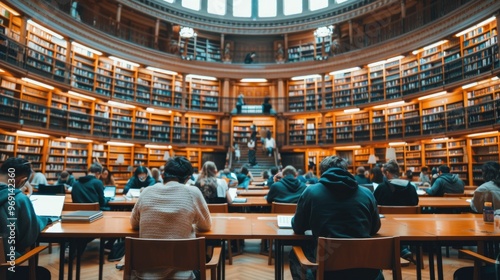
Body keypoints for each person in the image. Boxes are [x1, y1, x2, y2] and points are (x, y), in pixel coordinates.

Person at [290, 156, 381, 279]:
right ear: (346, 170)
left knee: (294, 254)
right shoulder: (367, 193)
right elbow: (375, 228)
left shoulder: (311, 192)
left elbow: (298, 227)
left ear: (322, 172)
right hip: (365, 270)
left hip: (327, 272)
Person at [130, 156, 211, 279]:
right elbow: (206, 225)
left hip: (145, 274)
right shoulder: (192, 193)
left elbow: (134, 223)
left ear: (163, 175)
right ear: (188, 178)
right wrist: (187, 223)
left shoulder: (146, 192)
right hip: (182, 274)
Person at [0, 158, 51, 280]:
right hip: (5, 271)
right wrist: (45, 220)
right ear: (21, 181)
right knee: (43, 274)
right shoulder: (19, 199)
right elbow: (28, 238)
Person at [373, 160, 419, 263]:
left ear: (387, 173)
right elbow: (415, 202)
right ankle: (403, 247)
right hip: (408, 224)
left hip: (385, 225)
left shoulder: (381, 188)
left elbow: (373, 204)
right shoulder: (411, 187)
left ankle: (392, 249)